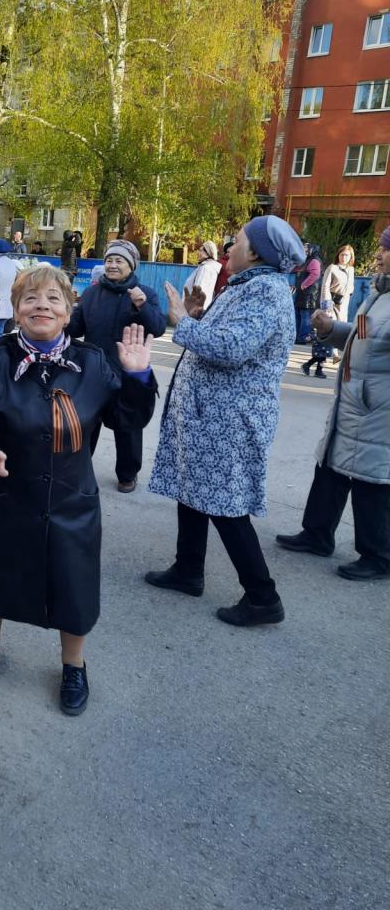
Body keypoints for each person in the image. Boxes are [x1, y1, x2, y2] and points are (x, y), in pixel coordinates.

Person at [0, 264, 157, 715]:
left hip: (70, 501)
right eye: (30, 298)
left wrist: (137, 378)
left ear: (67, 311)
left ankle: (73, 665)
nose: (42, 305)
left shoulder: (94, 362)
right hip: (5, 493)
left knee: (73, 588)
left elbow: (127, 420)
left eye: (53, 299)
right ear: (17, 310)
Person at [146, 214, 306, 627]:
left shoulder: (266, 294)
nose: (228, 248)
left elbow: (231, 349)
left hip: (231, 420)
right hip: (211, 416)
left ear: (256, 253)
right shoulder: (248, 286)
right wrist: (198, 317)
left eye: (235, 242)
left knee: (227, 504)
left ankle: (262, 596)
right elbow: (219, 340)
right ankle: (187, 569)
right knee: (193, 487)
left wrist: (183, 320)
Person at [277, 228, 390, 581]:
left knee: (373, 481)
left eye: (385, 251)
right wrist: (330, 328)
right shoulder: (379, 295)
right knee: (330, 467)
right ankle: (317, 534)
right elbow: (363, 335)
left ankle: (378, 556)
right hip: (354, 399)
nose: (379, 255)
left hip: (378, 408)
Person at [68, 240, 166, 493]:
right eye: (109, 260)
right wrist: (61, 316)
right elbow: (76, 329)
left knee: (128, 426)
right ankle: (79, 470)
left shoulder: (144, 293)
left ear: (131, 265)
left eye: (119, 261)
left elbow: (157, 328)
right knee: (86, 423)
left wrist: (141, 306)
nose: (112, 265)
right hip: (93, 371)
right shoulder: (91, 293)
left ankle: (127, 474)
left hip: (127, 372)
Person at [293, 243, 323, 343]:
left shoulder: (314, 260)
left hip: (309, 294)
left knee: (305, 315)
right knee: (299, 314)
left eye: (306, 250)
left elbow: (315, 274)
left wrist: (303, 285)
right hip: (302, 293)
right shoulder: (305, 260)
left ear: (312, 250)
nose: (304, 252)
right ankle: (297, 337)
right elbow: (295, 270)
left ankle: (302, 337)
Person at [320, 244, 355, 323]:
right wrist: (327, 306)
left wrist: (349, 292)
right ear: (338, 255)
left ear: (350, 257)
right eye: (342, 254)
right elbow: (325, 287)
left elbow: (350, 287)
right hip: (331, 304)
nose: (344, 257)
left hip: (344, 304)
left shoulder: (351, 270)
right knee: (331, 328)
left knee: (342, 328)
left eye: (346, 255)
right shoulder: (332, 268)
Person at [183, 241, 222, 309]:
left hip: (194, 309)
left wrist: (193, 309)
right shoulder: (210, 267)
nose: (198, 253)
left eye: (201, 251)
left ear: (207, 253)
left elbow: (199, 290)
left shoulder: (205, 268)